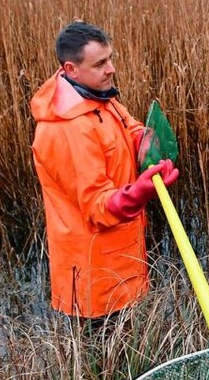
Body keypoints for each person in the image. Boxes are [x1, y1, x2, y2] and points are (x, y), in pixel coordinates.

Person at [30, 21, 179, 320]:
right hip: (94, 280)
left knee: (134, 354)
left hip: (123, 261)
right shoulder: (67, 130)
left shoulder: (97, 96)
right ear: (71, 69)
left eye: (110, 59)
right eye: (100, 64)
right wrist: (140, 193)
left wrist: (147, 142)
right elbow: (97, 206)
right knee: (106, 363)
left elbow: (128, 126)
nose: (110, 69)